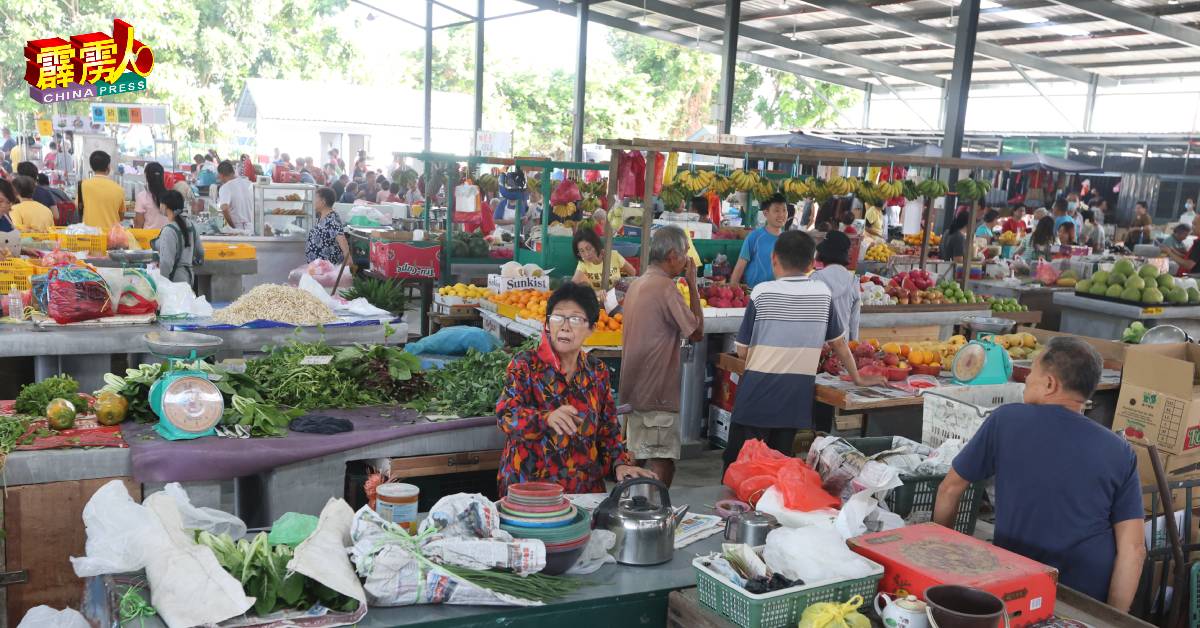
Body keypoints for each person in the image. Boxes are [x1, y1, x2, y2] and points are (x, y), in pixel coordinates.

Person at [933, 337, 1145, 609]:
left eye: (1032, 372)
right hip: (1086, 596)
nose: (1026, 380)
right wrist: (1113, 617)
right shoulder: (1120, 451)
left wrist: (938, 558)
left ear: (1049, 384)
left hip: (1018, 587)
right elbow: (1134, 550)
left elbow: (949, 489)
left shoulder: (1006, 421)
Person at [724, 231, 886, 467]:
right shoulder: (822, 294)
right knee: (777, 472)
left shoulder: (761, 292)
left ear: (773, 259)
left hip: (756, 398)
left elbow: (742, 351)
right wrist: (858, 378)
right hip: (794, 401)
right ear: (812, 263)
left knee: (740, 469)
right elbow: (839, 343)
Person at [495, 283, 656, 494]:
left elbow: (608, 430)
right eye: (558, 317)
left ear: (591, 328)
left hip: (584, 490)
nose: (565, 326)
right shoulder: (525, 365)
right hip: (529, 489)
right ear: (546, 324)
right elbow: (506, 415)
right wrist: (546, 419)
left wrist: (620, 463)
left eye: (576, 319)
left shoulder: (596, 370)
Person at [620, 226, 704, 486]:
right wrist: (692, 283)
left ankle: (630, 510)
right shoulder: (665, 287)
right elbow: (697, 331)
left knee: (637, 454)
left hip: (634, 389)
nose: (688, 261)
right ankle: (656, 512)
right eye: (685, 254)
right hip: (656, 392)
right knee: (661, 461)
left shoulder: (638, 283)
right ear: (671, 255)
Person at [729, 194, 788, 288]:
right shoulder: (754, 236)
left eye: (784, 210)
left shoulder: (788, 239)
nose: (781, 214)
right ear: (765, 213)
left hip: (778, 293)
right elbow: (740, 265)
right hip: (753, 291)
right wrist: (732, 287)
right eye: (776, 210)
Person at [812, 231, 861, 341]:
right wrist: (854, 345)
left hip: (820, 345)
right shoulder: (853, 281)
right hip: (844, 345)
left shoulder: (815, 279)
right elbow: (854, 321)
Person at [153, 190, 203, 284]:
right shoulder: (192, 225)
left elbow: (166, 263)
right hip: (189, 277)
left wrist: (162, 283)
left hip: (175, 279)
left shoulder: (169, 230)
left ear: (165, 206)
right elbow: (200, 253)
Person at [571, 229, 635, 294]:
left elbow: (632, 272)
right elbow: (572, 285)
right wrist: (596, 293)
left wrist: (621, 283)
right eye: (582, 251)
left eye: (588, 248)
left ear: (596, 245)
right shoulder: (584, 262)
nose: (587, 254)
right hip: (598, 300)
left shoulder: (613, 256)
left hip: (617, 297)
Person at [79, 150, 125, 233]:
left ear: (91, 166)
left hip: (90, 236)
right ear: (108, 167)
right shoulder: (119, 189)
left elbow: (79, 208)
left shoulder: (83, 185)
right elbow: (121, 215)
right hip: (112, 237)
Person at [306, 187, 349, 265]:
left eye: (315, 199)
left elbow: (342, 239)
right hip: (318, 267)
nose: (313, 201)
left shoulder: (332, 218)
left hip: (329, 268)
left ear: (323, 201)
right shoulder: (321, 216)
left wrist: (348, 260)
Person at [216, 160, 253, 231]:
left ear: (221, 175)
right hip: (251, 227)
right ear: (233, 172)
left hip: (237, 228)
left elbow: (224, 208)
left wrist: (233, 228)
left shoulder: (225, 187)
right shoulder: (248, 183)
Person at [133, 162, 171, 229]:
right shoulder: (171, 195)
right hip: (167, 237)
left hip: (149, 238)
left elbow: (139, 223)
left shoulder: (142, 196)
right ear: (162, 176)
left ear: (146, 176)